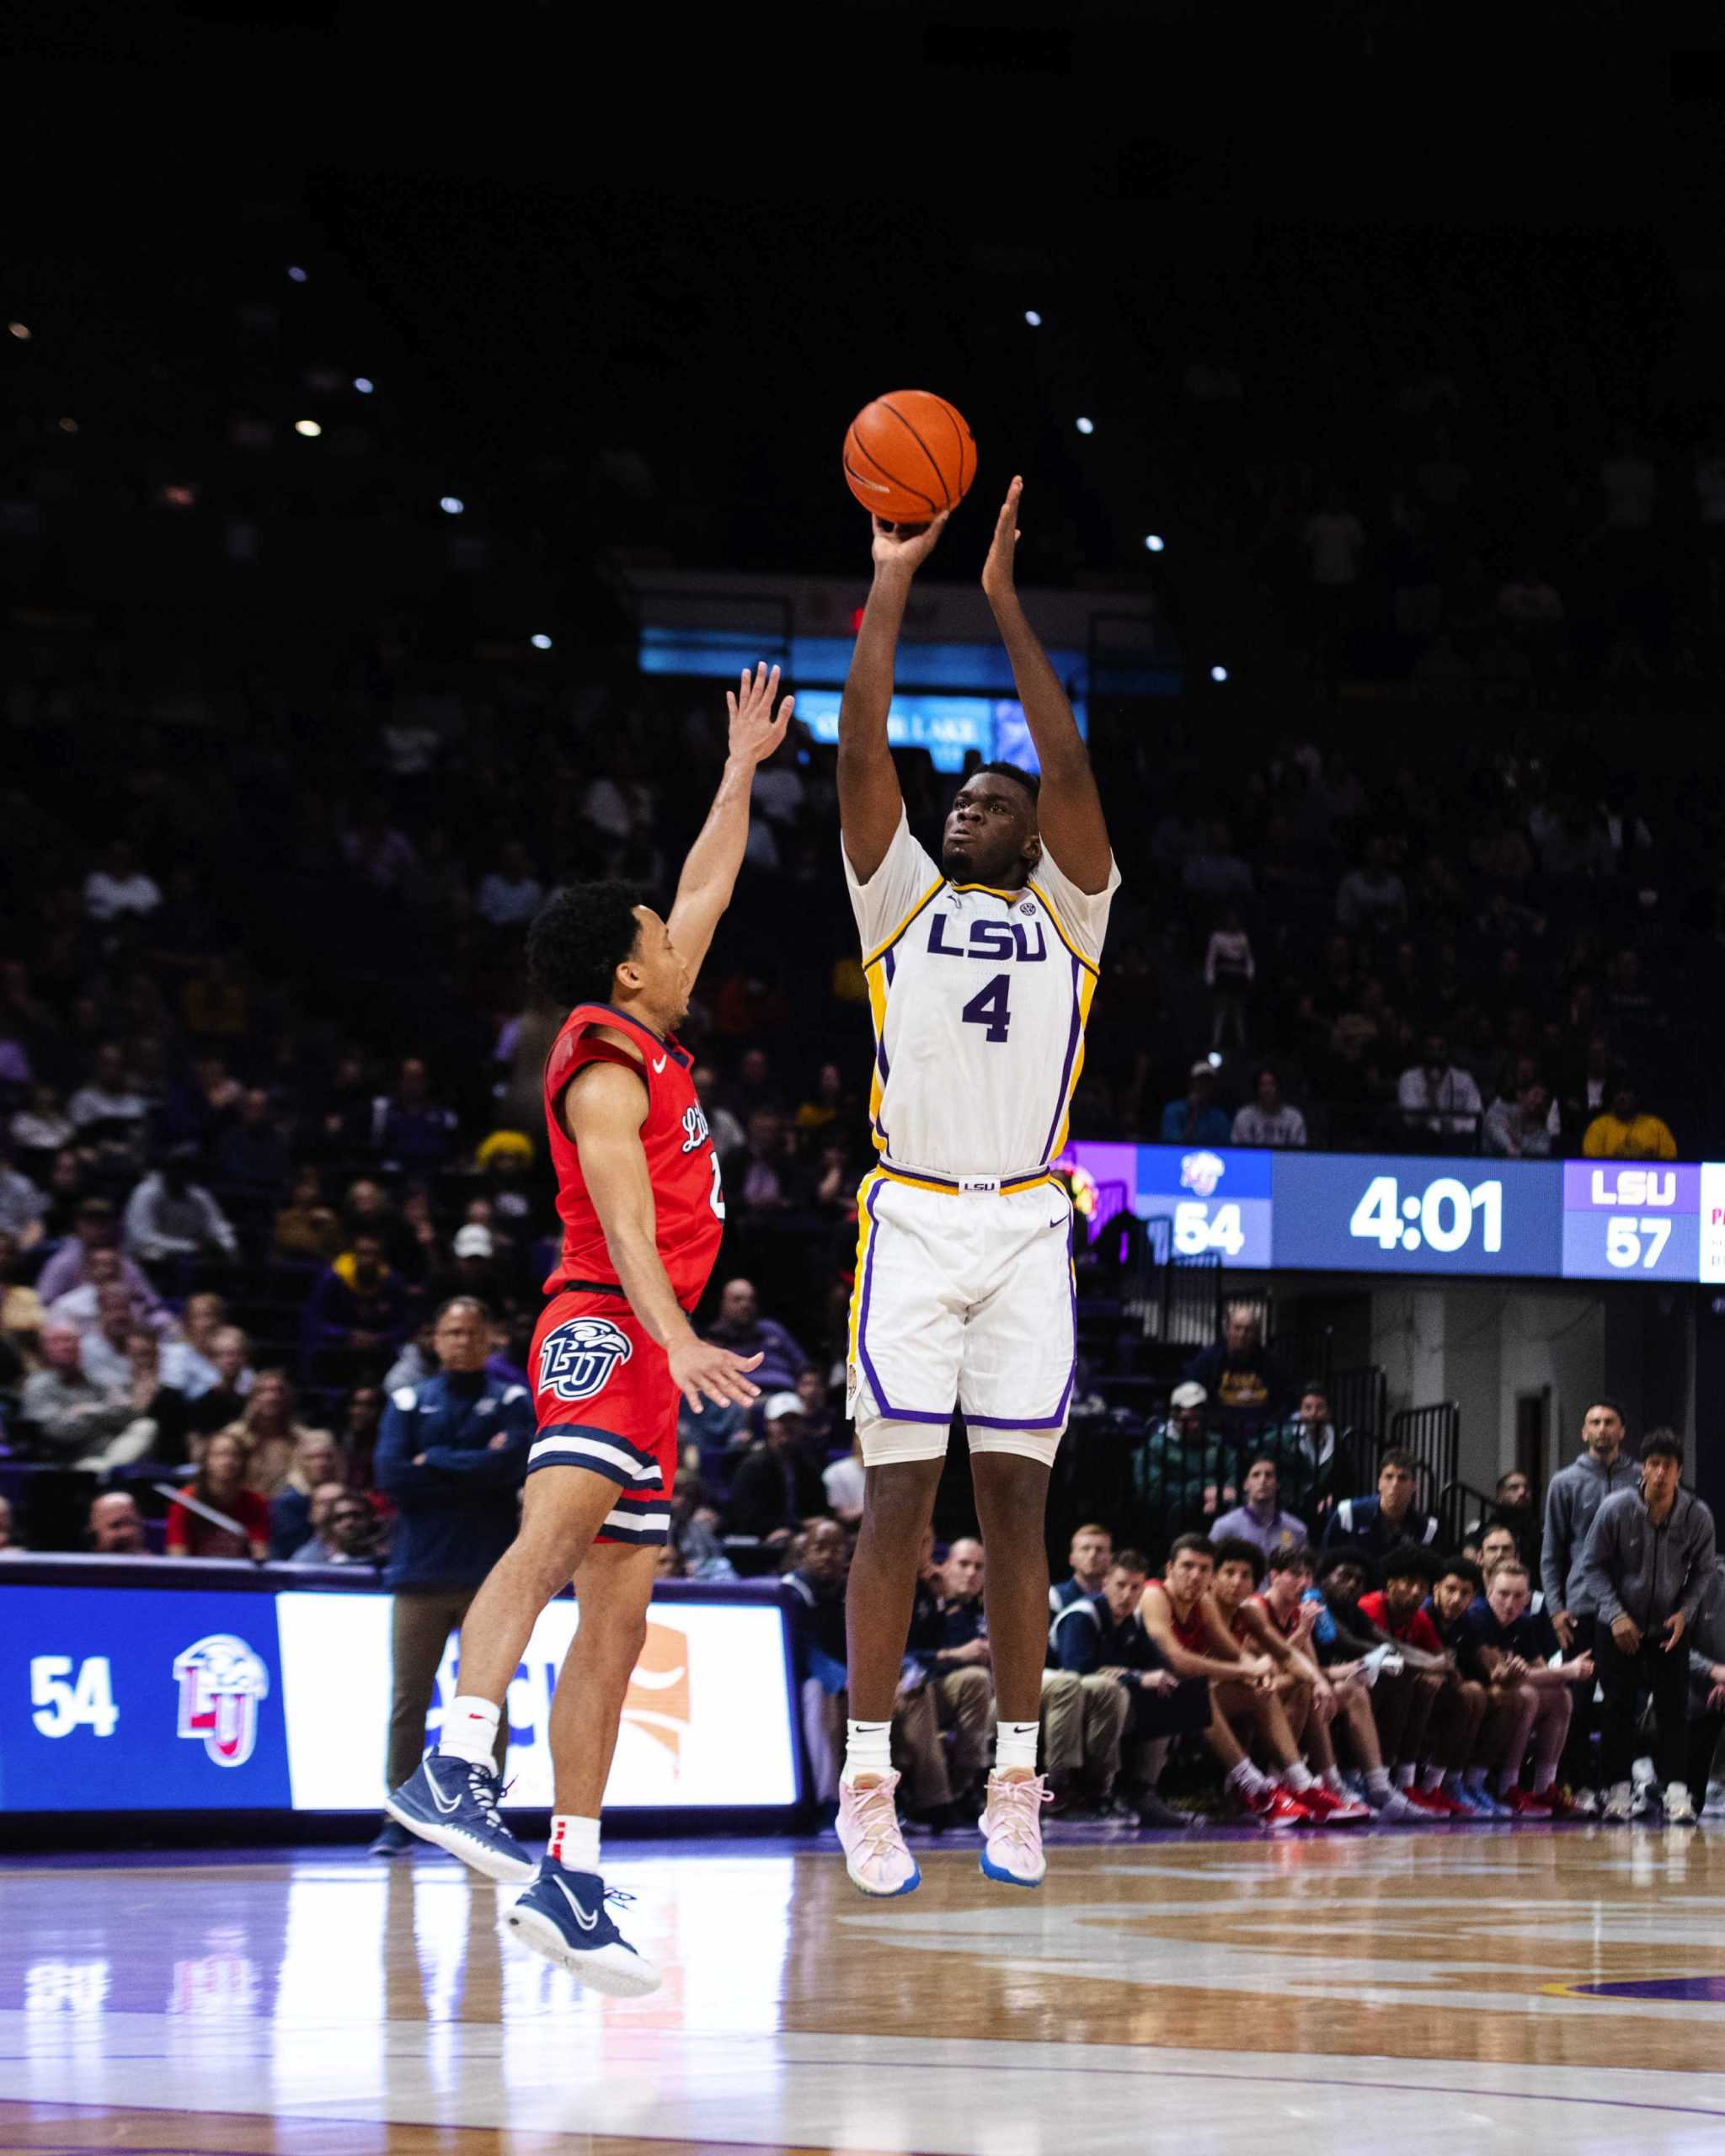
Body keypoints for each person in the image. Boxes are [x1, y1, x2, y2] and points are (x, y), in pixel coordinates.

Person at [384, 661, 791, 1994]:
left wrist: (739, 770)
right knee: (554, 1537)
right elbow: (620, 1214)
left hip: (651, 1343)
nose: (684, 937)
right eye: (660, 934)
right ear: (628, 964)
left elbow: (712, 883)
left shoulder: (655, 1031)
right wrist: (671, 1335)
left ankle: (567, 1866)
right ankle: (454, 1759)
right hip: (609, 1326)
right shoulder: (600, 1053)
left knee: (620, 1616)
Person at [830, 478, 1119, 1898]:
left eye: (991, 799)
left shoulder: (1072, 915)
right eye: (962, 795)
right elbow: (860, 746)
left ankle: (1018, 1781)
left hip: (1024, 1225)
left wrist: (1004, 602)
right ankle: (866, 1781)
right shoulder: (897, 902)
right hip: (911, 1213)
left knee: (1014, 1509)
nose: (969, 805)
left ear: (1030, 833)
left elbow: (1067, 772)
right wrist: (893, 580)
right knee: (898, 1507)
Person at [370, 1297, 534, 1849]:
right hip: (418, 1574)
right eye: (452, 1332)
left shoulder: (512, 1398)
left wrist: (433, 1460)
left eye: (471, 1331)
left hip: (490, 1576)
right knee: (409, 1699)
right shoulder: (409, 1400)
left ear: (489, 1339)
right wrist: (471, 1465)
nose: (462, 1341)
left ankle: (485, 1813)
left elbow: (511, 1466)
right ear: (435, 1340)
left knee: (489, 1700)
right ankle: (400, 1815)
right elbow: (391, 1475)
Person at [1579, 1429, 1717, 1825]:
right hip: (1618, 1625)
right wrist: (1616, 1614)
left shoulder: (1696, 1515)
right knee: (1617, 1708)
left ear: (1679, 1471)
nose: (1660, 1474)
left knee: (1674, 1711)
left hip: (1669, 1627)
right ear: (1642, 1468)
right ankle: (1617, 1790)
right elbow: (1592, 1565)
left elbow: (1705, 1570)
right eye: (1653, 1465)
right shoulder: (1616, 1508)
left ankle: (1677, 1792)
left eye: (1668, 1467)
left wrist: (1686, 1612)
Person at [1052, 1550, 1203, 1827]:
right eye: (1121, 1585)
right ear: (1105, 1583)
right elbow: (1077, 1671)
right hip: (1059, 1704)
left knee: (1176, 1694)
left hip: (1104, 1699)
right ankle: (1089, 1791)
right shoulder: (1082, 1616)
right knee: (1109, 1690)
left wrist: (1168, 1682)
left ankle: (1143, 1792)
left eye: (1136, 1588)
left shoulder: (1133, 1620)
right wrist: (1135, 1678)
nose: (1127, 1594)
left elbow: (1158, 1665)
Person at [1541, 1398, 1639, 1812]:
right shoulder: (1565, 1482)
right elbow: (1552, 1551)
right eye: (1594, 1422)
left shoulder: (1642, 1478)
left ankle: (1618, 1787)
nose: (1602, 1428)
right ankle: (1575, 1785)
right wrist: (1555, 1607)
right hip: (1580, 1607)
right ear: (1583, 1433)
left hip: (1629, 1613)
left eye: (1609, 1422)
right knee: (1578, 1704)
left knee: (1621, 1701)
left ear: (1622, 1430)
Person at [1455, 1558, 1594, 1817]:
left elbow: (1544, 1674)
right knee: (1526, 1695)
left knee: (1561, 1696)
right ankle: (1508, 1786)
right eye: (1503, 1594)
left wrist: (1567, 1672)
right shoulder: (1477, 1616)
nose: (1509, 1604)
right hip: (1475, 1697)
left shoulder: (1524, 1624)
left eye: (1518, 1596)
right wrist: (1566, 1670)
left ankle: (1544, 1786)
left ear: (1528, 1598)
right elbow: (1498, 1675)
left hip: (1500, 1699)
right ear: (1488, 1593)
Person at [896, 1536, 995, 1826]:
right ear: (946, 1565)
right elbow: (908, 1655)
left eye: (979, 1567)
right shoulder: (923, 1594)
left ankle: (965, 1786)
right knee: (956, 1682)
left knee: (981, 1682)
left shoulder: (982, 1608)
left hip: (949, 1691)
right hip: (912, 1687)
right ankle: (940, 1798)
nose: (971, 1573)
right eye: (963, 1564)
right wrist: (955, 1653)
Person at [785, 1518, 850, 1803]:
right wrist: (846, 1680)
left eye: (836, 1549)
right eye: (820, 1548)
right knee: (818, 1691)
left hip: (842, 1679)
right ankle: (827, 1801)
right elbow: (807, 1652)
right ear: (803, 1553)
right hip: (795, 1682)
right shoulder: (791, 1591)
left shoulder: (849, 1590)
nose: (827, 1556)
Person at [724, 1391, 829, 1545]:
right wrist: (796, 1527)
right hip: (758, 1543)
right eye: (781, 1421)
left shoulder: (807, 1464)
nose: (788, 1427)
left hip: (800, 1538)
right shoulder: (752, 1466)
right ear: (768, 1425)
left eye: (793, 1420)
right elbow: (747, 1517)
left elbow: (819, 1507)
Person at [164, 1430, 270, 1559]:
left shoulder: (256, 1502)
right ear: (206, 1461)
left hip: (238, 1575)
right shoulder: (185, 1501)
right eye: (220, 1455)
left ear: (243, 1462)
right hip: (194, 1575)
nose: (228, 1461)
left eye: (235, 1455)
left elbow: (259, 1552)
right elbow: (177, 1556)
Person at [121, 1153, 239, 1267]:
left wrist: (227, 1245)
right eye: (176, 1169)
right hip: (148, 1258)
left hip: (191, 1256)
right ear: (166, 1171)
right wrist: (191, 1247)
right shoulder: (145, 1193)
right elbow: (141, 1238)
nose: (179, 1175)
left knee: (226, 1257)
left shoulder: (199, 1196)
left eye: (185, 1171)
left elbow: (218, 1227)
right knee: (152, 1254)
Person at [1183, 1302, 1290, 1423]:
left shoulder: (1271, 1362)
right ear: (1228, 1329)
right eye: (1237, 1328)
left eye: (1248, 1330)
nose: (1242, 1335)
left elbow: (1285, 1400)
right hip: (1218, 1434)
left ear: (1256, 1333)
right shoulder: (1208, 1359)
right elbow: (1191, 1393)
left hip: (1263, 1434)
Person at [1323, 1449, 1440, 1560]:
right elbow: (1326, 1562)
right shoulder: (1348, 1514)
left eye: (1403, 1478)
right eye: (1389, 1477)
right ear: (1379, 1483)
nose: (1395, 1484)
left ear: (1413, 1486)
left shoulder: (1426, 1529)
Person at [704, 1278, 809, 1394]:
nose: (745, 1305)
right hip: (740, 1400)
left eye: (751, 1300)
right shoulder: (712, 1340)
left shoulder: (773, 1329)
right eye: (737, 1300)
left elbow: (803, 1367)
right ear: (723, 1303)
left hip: (784, 1398)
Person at [269, 1428, 346, 1558]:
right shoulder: (289, 1502)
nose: (321, 1463)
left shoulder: (347, 1493)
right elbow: (290, 1551)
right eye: (312, 1457)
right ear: (300, 1461)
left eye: (327, 1456)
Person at [1210, 1457, 1307, 1557]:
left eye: (1269, 1475)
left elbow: (1302, 1568)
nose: (1263, 1480)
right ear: (1246, 1484)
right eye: (1256, 1475)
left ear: (1278, 1484)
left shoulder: (1296, 1529)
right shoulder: (1225, 1527)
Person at [1396, 1034, 1482, 1141]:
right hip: (1420, 1139)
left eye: (1440, 1049)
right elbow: (1409, 1118)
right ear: (1423, 1051)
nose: (1435, 1054)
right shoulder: (1409, 1077)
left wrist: (1451, 1126)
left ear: (1448, 1052)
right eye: (1431, 1049)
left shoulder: (1464, 1079)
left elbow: (1476, 1114)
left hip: (1457, 1139)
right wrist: (1430, 1099)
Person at [1581, 1077, 1678, 1161]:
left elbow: (1671, 1162)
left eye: (1627, 1092)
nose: (1622, 1097)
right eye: (1618, 1092)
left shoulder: (1657, 1127)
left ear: (1636, 1097)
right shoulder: (1599, 1126)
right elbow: (1590, 1164)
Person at [1231, 1066, 1307, 1149]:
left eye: (1272, 1084)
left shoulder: (1294, 1118)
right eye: (1263, 1085)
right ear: (1257, 1089)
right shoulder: (1243, 1117)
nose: (1267, 1090)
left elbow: (1300, 1153)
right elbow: (1237, 1151)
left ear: (1279, 1088)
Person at [1158, 1061, 1231, 1146]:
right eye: (1200, 1081)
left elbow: (1227, 1148)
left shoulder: (1220, 1117)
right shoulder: (1173, 1110)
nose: (1204, 1085)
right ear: (1191, 1083)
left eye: (1208, 1081)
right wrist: (1193, 1113)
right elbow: (1173, 1145)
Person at [88, 1490, 150, 1555]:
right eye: (116, 1525)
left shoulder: (154, 1562)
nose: (127, 1532)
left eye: (132, 1523)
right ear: (94, 1532)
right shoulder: (82, 1562)